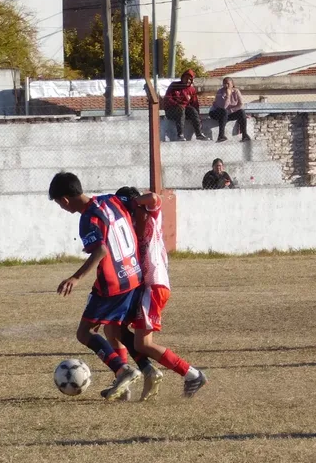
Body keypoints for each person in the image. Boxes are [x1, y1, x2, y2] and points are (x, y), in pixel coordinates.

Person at [49, 171, 144, 401]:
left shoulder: (87, 218)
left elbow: (101, 250)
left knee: (85, 332)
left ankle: (123, 371)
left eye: (60, 204)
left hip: (111, 284)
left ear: (64, 200)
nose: (62, 208)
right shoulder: (109, 199)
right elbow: (134, 203)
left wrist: (76, 278)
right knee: (114, 329)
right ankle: (133, 379)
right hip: (132, 274)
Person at [114, 187, 207, 400]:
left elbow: (155, 198)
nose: (129, 214)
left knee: (142, 344)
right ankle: (123, 378)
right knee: (114, 327)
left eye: (130, 209)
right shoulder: (131, 227)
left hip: (154, 287)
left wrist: (135, 201)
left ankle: (192, 374)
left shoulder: (151, 215)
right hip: (144, 287)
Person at [163, 69, 207, 141]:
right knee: (181, 109)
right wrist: (177, 104)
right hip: (171, 111)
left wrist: (198, 116)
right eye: (186, 78)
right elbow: (168, 99)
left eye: (190, 79)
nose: (188, 80)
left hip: (184, 111)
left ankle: (199, 134)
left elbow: (195, 104)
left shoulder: (192, 90)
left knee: (192, 110)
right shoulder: (174, 85)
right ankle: (180, 135)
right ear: (182, 78)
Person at [209, 77, 250, 142]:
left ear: (232, 84)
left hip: (228, 113)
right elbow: (222, 107)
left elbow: (241, 104)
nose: (226, 85)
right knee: (224, 112)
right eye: (224, 84)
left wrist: (232, 111)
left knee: (242, 112)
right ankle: (221, 136)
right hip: (216, 112)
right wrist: (228, 95)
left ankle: (245, 135)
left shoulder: (236, 91)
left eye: (228, 83)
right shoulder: (220, 92)